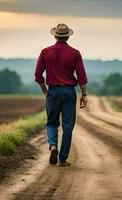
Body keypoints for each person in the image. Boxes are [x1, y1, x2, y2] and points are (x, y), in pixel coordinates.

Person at [35, 23, 88, 167]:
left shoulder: (46, 52)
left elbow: (38, 75)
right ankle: (63, 159)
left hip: (53, 91)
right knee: (68, 126)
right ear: (68, 37)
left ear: (55, 35)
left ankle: (53, 146)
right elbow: (81, 76)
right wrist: (84, 94)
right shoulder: (75, 53)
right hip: (69, 92)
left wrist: (45, 91)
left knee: (52, 122)